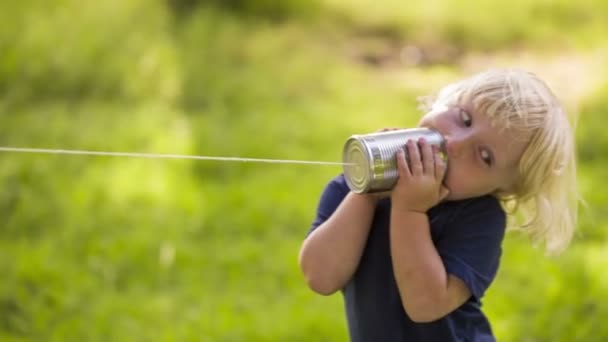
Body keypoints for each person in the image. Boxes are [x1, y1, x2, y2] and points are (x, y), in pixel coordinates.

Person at [298, 68, 578, 341]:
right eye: (464, 118)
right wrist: (368, 192)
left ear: (503, 189)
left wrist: (410, 210)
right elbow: (320, 277)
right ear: (446, 101)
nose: (455, 144)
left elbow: (425, 305)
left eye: (484, 156)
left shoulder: (479, 218)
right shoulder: (351, 191)